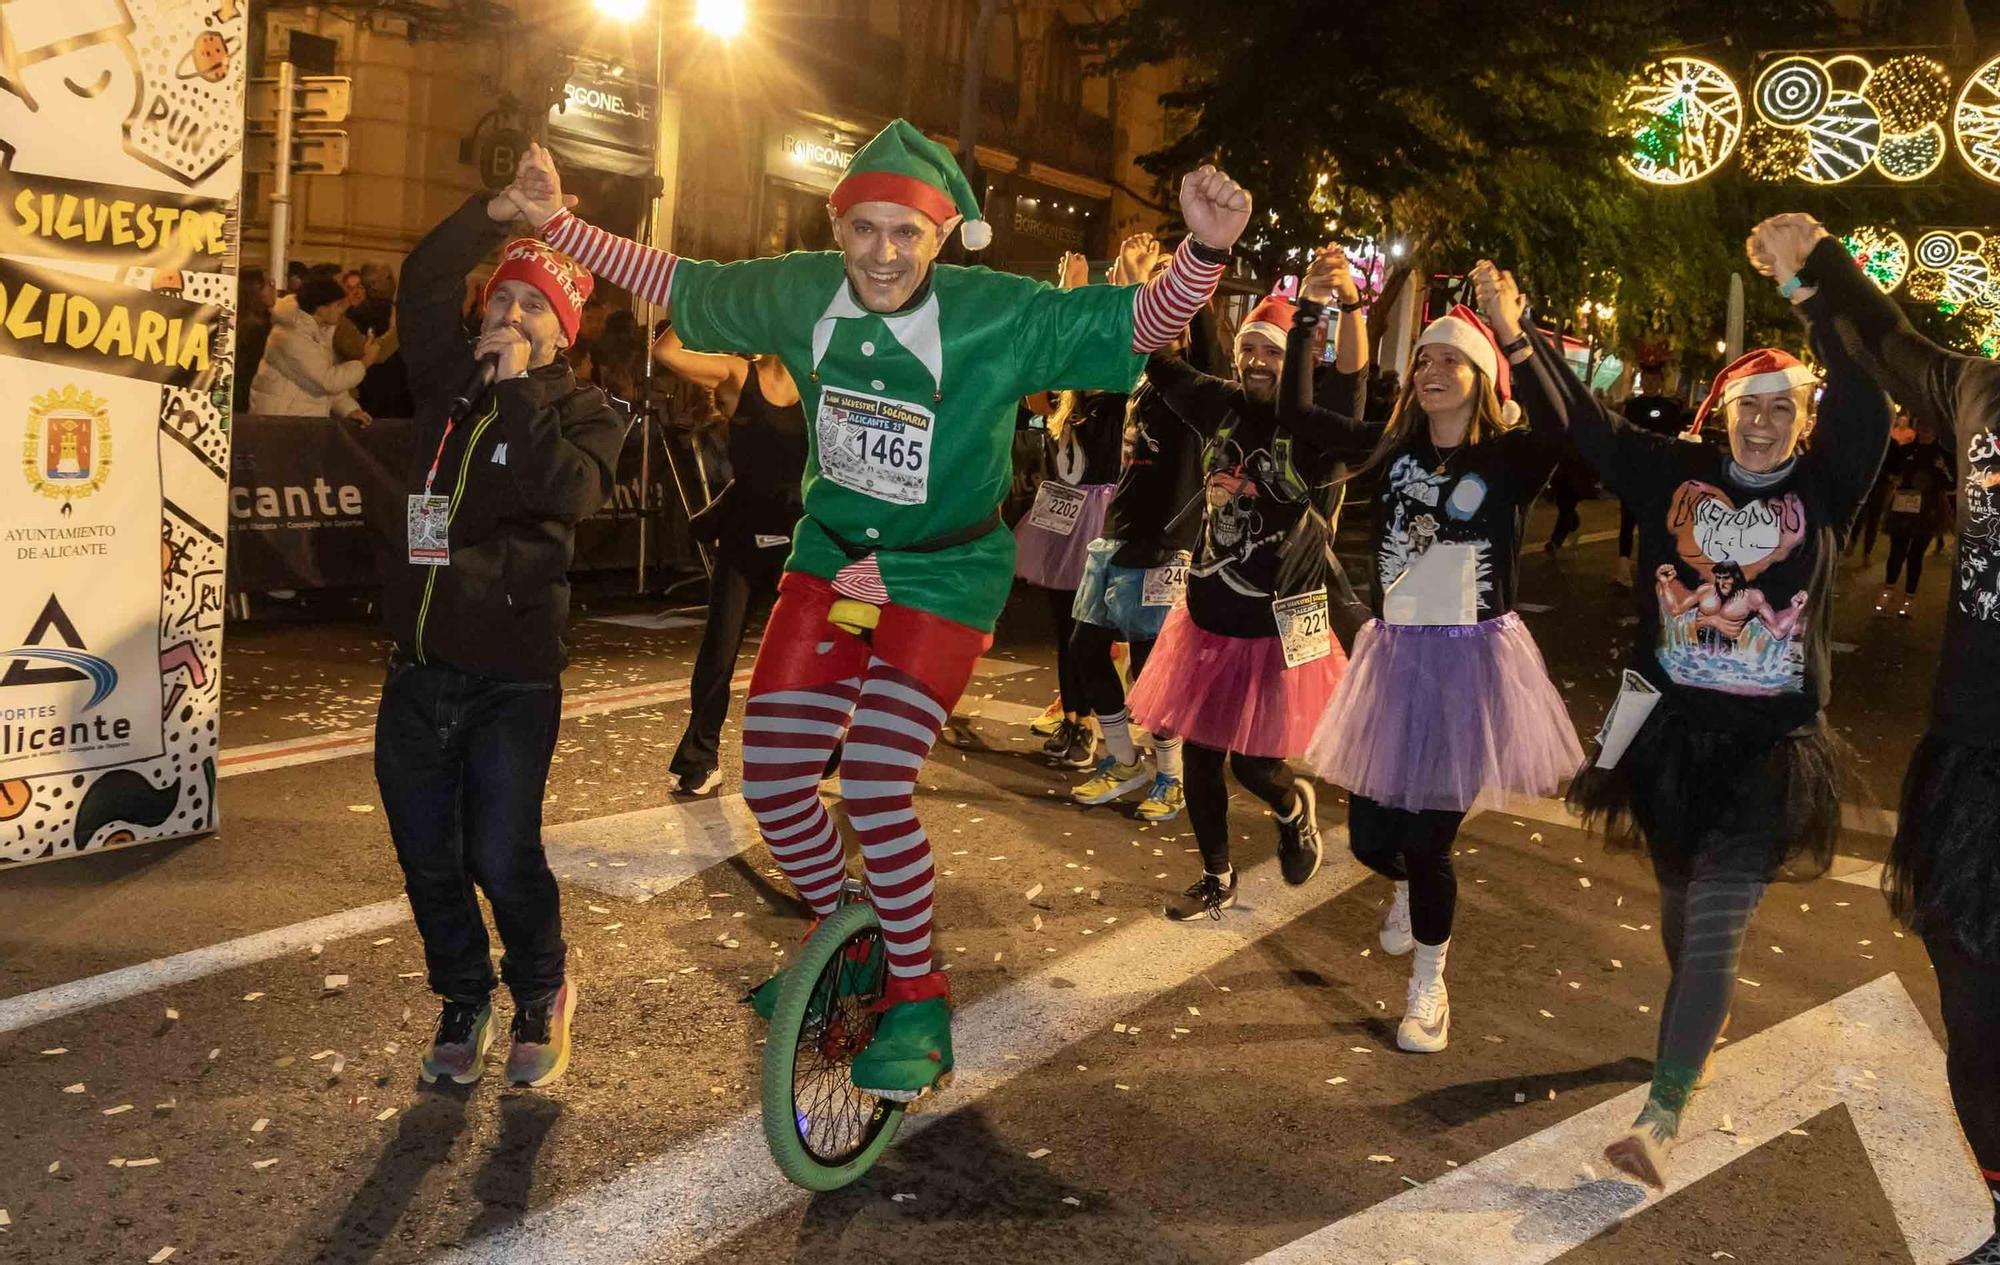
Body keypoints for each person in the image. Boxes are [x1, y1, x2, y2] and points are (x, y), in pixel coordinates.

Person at [507, 120, 1244, 1099]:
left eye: (906, 233)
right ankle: (847, 929)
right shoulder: (804, 287)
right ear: (838, 226)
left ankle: (916, 993)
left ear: (939, 238)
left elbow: (1126, 327)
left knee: (875, 785)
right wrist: (556, 220)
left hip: (941, 573)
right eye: (865, 230)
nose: (883, 253)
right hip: (834, 563)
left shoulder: (992, 311)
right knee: (772, 781)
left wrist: (1202, 253)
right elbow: (679, 282)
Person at [1505, 234, 1890, 1190]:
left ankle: (1663, 1113)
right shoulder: (1670, 474)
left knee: (1716, 919)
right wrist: (1516, 342)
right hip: (1667, 737)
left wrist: (1808, 290)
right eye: (1746, 409)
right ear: (1721, 417)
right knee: (1682, 910)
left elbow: (1869, 388)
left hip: (1769, 752)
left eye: (1780, 409)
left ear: (1806, 419)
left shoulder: (1824, 483)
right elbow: (1583, 424)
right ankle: (1694, 1027)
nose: (1761, 425)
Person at [1763, 212, 2000, 1264]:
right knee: (1973, 1008)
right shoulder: (1980, 387)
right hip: (1972, 759)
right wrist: (1809, 269)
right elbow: (1885, 333)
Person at [373, 182, 625, 1090]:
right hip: (417, 674)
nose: (512, 313)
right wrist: (493, 210)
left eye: (535, 307)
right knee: (427, 858)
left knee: (498, 853)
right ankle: (462, 997)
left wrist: (517, 389)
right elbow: (420, 276)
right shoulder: (446, 382)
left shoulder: (590, 411)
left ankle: (542, 989)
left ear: (563, 333)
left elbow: (567, 491)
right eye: (505, 296)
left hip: (512, 682)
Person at [1304, 267, 1581, 1055]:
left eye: (1450, 361)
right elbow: (1304, 413)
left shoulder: (1507, 463)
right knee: (1368, 839)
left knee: (1430, 841)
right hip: (1394, 661)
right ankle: (1400, 883)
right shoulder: (1393, 451)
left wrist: (1512, 329)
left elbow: (1563, 430)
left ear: (1482, 376)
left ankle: (1430, 982)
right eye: (1423, 361)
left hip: (1471, 665)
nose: (1430, 372)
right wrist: (1322, 315)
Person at [1126, 246, 1370, 922]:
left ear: (1294, 357)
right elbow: (1158, 361)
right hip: (1207, 614)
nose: (1258, 361)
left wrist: (1348, 305)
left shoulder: (1315, 425)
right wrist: (1153, 290)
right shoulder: (1220, 405)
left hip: (1279, 622)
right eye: (1249, 350)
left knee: (1253, 767)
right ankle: (1216, 875)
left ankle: (1293, 807)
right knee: (1202, 756)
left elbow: (1354, 377)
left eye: (1272, 350)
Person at [1067, 233, 1217, 822]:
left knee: (1157, 667)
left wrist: (1194, 274)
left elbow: (1203, 340)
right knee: (1086, 648)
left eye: (1170, 288)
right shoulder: (1138, 376)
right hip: (1116, 535)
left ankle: (1171, 777)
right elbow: (1110, 337)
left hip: (1166, 545)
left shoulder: (1199, 387)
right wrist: (1130, 281)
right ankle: (1124, 758)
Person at [655, 325, 808, 797]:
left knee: (805, 654)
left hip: (803, 538)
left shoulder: (827, 380)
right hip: (745, 535)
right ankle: (699, 759)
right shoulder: (739, 375)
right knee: (719, 648)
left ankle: (820, 749)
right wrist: (713, 298)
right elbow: (666, 351)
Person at [249, 273, 381, 421]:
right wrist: (364, 363)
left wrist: (350, 409)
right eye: (337, 305)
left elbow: (317, 382)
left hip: (296, 418)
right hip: (283, 423)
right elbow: (326, 381)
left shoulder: (315, 331)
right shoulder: (290, 335)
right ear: (321, 308)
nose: (341, 310)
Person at [1876, 414, 1954, 617]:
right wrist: (1894, 477)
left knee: (1916, 555)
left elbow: (1952, 483)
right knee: (1896, 551)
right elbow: (1886, 468)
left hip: (1929, 509)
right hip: (1904, 505)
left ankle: (1909, 598)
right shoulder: (1906, 450)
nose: (1925, 429)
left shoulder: (1943, 454)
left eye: (1930, 426)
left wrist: (1943, 470)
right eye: (1922, 424)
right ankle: (1887, 592)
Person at [1617, 370, 1687, 566]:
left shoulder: (1670, 407)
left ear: (1660, 381)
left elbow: (1676, 437)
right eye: (1646, 378)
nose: (1649, 382)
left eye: (1653, 378)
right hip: (1634, 470)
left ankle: (1650, 565)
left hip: (1658, 473)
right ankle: (1622, 565)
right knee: (1628, 518)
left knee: (1655, 521)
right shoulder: (1631, 406)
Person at [233, 266, 277, 412]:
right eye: (269, 285)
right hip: (248, 401)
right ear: (255, 290)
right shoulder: (256, 328)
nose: (274, 289)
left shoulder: (242, 322)